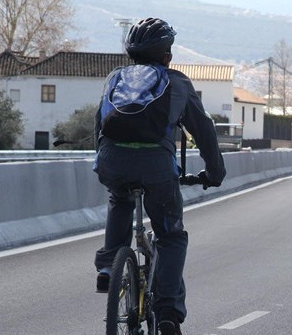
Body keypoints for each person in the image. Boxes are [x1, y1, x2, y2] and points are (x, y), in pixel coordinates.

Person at [92, 17, 226, 335]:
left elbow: (98, 123)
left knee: (119, 198)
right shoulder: (177, 82)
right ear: (167, 54)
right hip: (156, 168)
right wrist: (215, 173)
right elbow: (204, 130)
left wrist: (102, 163)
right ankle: (167, 313)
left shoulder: (115, 78)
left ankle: (109, 266)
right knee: (171, 236)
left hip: (112, 160)